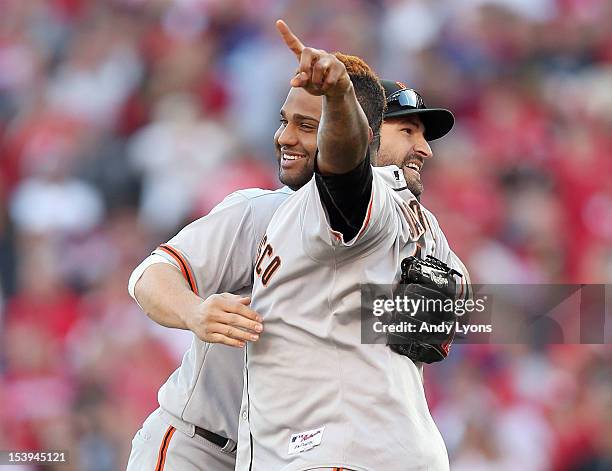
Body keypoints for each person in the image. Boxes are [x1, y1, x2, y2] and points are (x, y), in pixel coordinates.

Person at [126, 22, 468, 471]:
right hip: (202, 444)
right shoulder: (258, 211)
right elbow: (149, 277)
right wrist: (194, 311)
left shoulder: (412, 223)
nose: (423, 148)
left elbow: (453, 304)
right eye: (407, 130)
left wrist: (436, 309)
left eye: (423, 134)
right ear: (364, 133)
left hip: (292, 451)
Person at [235, 22, 462, 470]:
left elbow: (344, 169)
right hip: (392, 447)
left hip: (337, 452)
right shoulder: (420, 223)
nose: (425, 149)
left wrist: (338, 98)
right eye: (408, 131)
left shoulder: (368, 195)